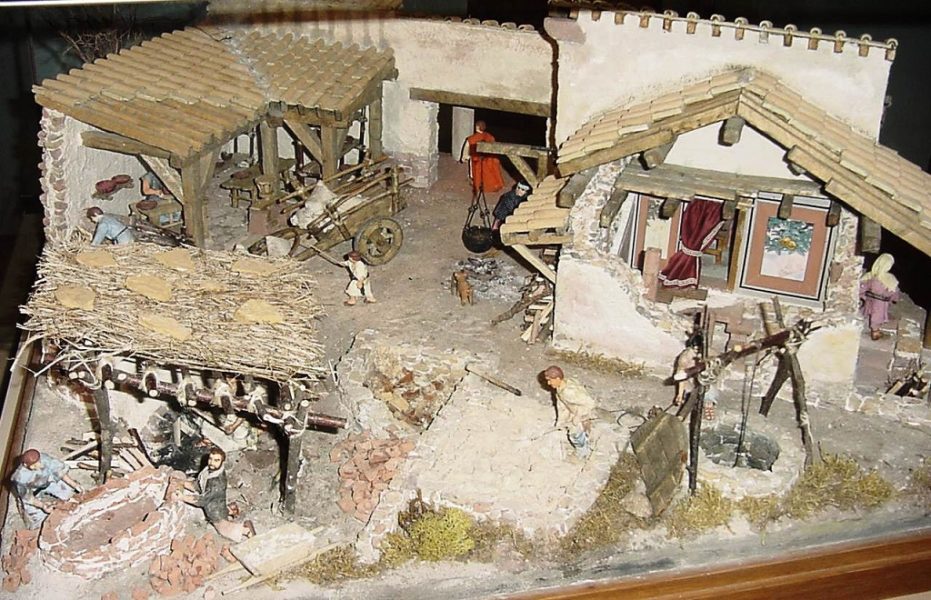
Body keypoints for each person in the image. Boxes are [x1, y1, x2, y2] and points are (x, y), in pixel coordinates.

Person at [177, 447, 254, 542]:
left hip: (215, 511)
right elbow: (199, 485)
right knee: (223, 520)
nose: (212, 463)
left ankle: (246, 529)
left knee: (224, 530)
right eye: (210, 459)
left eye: (216, 460)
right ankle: (231, 510)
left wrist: (182, 497)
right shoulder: (208, 471)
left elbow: (202, 500)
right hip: (214, 503)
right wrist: (183, 483)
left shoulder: (217, 482)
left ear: (222, 462)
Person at [11, 449, 83, 529]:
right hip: (33, 492)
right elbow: (27, 497)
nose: (38, 465)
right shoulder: (20, 477)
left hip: (48, 482)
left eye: (38, 462)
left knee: (68, 493)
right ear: (25, 465)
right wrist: (43, 506)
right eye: (34, 465)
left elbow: (60, 472)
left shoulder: (45, 459)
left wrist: (75, 485)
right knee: (39, 520)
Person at [542, 365, 597, 458]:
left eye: (550, 380)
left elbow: (590, 403)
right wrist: (560, 420)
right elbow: (562, 405)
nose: (548, 383)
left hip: (584, 412)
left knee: (574, 434)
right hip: (573, 410)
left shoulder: (569, 391)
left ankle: (582, 452)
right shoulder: (560, 388)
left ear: (557, 379)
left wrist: (578, 416)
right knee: (571, 426)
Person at [860, 253, 899, 341]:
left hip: (873, 301)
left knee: (874, 314)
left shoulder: (871, 276)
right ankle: (875, 332)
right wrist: (894, 298)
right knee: (876, 317)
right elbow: (894, 291)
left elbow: (862, 287)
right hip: (879, 303)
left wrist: (863, 295)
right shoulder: (889, 279)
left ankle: (874, 328)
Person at [459, 120, 504, 196]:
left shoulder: (471, 138)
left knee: (475, 173)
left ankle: (476, 183)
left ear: (477, 127)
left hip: (476, 159)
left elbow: (466, 148)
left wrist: (464, 157)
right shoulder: (490, 136)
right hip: (488, 159)